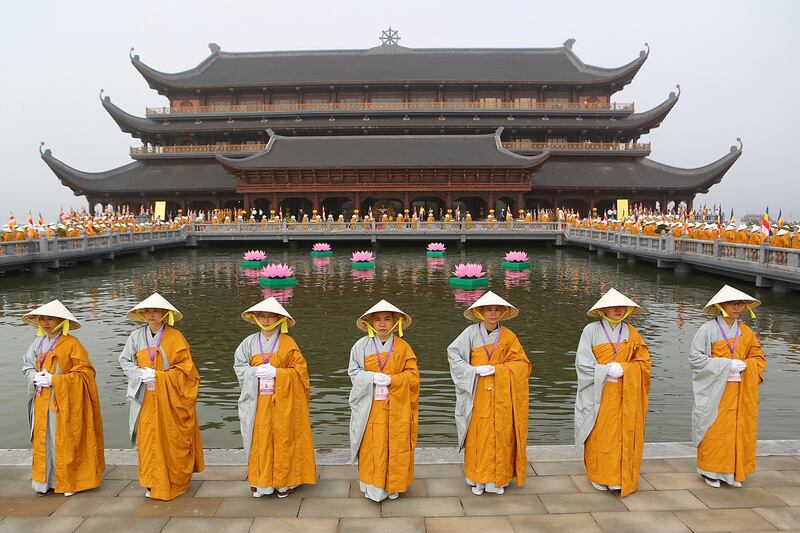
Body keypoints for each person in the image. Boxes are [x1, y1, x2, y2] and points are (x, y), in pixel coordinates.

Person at [118, 292, 204, 500]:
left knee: (172, 438)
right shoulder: (136, 337)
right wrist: (139, 374)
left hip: (170, 400)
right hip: (145, 398)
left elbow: (187, 371)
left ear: (165, 314)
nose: (151, 315)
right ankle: (152, 481)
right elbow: (125, 360)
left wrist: (160, 377)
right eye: (147, 311)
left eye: (155, 310)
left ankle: (176, 481)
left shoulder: (175, 338)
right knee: (148, 439)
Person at [447, 291, 531, 495]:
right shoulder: (469, 334)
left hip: (502, 395)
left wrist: (500, 370)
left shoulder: (509, 336)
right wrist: (472, 370)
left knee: (501, 434)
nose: (493, 314)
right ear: (480, 312)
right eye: (488, 309)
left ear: (503, 312)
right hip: (476, 393)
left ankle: (498, 480)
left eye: (497, 310)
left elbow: (522, 365)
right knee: (478, 435)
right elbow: (454, 354)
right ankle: (477, 478)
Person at [233, 297, 317, 498]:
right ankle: (261, 482)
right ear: (255, 318)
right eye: (262, 315)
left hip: (284, 401)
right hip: (258, 401)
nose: (266, 319)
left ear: (279, 319)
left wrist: (278, 374)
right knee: (259, 438)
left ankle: (284, 481)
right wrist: (254, 372)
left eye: (270, 316)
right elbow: (239, 366)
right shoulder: (249, 342)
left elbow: (300, 372)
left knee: (284, 437)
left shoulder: (288, 343)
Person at [21, 300, 104, 496]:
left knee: (64, 439)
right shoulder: (38, 343)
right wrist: (35, 376)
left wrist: (56, 380)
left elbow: (85, 373)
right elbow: (27, 365)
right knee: (44, 440)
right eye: (42, 318)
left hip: (64, 401)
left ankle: (69, 481)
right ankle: (45, 482)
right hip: (41, 400)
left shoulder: (72, 344)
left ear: (61, 320)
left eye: (50, 318)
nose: (45, 322)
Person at [574, 288, 651, 496]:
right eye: (613, 306)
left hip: (626, 393)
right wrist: (605, 370)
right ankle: (599, 475)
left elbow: (644, 363)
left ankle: (620, 476)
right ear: (603, 309)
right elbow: (582, 362)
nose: (618, 310)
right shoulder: (590, 331)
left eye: (622, 307)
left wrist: (626, 369)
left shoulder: (632, 332)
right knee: (601, 433)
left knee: (624, 433)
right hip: (599, 392)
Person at [689, 285, 765, 488]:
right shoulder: (707, 329)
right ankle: (709, 471)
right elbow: (696, 359)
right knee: (715, 427)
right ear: (721, 305)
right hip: (715, 389)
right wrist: (726, 365)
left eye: (740, 303)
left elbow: (758, 357)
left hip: (740, 389)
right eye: (733, 303)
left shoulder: (746, 331)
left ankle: (732, 471)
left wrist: (747, 366)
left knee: (736, 428)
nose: (737, 307)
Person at [348, 300, 419, 502]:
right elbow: (353, 372)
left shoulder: (404, 347)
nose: (382, 324)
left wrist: (394, 380)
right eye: (377, 320)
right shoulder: (360, 346)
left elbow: (413, 377)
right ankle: (371, 484)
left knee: (395, 443)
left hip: (397, 405)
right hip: (370, 406)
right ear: (370, 322)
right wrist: (371, 377)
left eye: (387, 319)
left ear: (395, 322)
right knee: (372, 444)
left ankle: (394, 484)